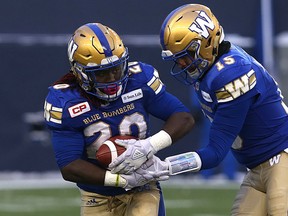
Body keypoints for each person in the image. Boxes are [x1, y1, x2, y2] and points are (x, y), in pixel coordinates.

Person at [110, 4, 288, 215]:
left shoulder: (231, 73)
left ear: (207, 42)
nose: (184, 63)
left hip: (281, 157)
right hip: (258, 167)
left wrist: (164, 166)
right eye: (178, 59)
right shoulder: (212, 69)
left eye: (187, 55)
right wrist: (151, 149)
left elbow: (215, 152)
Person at [43, 22, 194, 216]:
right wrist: (121, 180)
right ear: (79, 72)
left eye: (117, 68)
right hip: (96, 194)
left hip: (143, 186)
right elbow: (69, 166)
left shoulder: (139, 79)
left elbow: (183, 118)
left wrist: (150, 145)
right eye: (102, 73)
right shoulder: (65, 101)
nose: (113, 78)